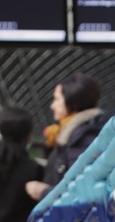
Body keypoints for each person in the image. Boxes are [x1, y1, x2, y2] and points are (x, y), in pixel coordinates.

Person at [25, 72, 107, 200]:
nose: (52, 106)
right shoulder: (74, 133)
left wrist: (44, 191)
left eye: (57, 99)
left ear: (72, 101)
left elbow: (81, 191)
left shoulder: (82, 138)